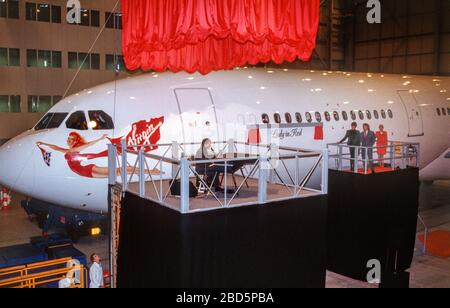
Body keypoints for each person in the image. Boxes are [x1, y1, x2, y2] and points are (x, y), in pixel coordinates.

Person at [37, 132, 160, 178]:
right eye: (68, 139)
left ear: (75, 141)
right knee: (117, 173)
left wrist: (100, 138)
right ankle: (149, 171)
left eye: (72, 139)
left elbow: (89, 144)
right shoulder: (68, 151)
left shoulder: (76, 149)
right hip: (85, 174)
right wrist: (45, 143)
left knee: (118, 170)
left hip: (87, 169)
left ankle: (150, 171)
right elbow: (57, 148)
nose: (69, 141)